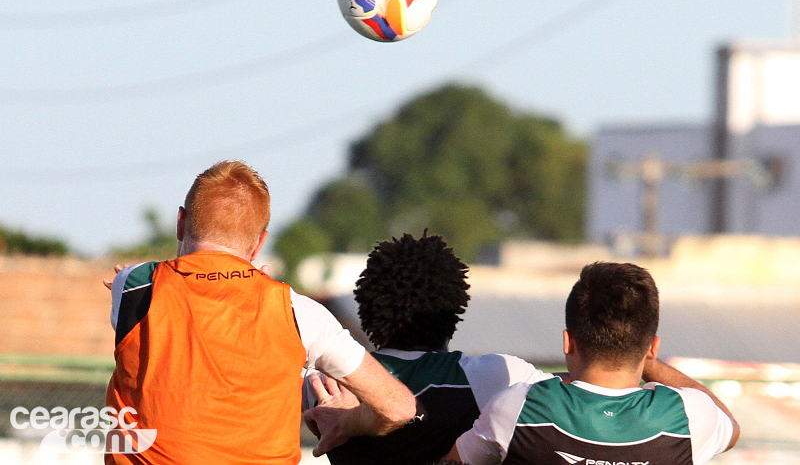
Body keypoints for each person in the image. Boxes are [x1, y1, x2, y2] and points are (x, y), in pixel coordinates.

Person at [104, 160, 415, 465]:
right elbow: (399, 408)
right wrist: (347, 422)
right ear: (260, 242)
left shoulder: (133, 286)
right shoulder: (301, 314)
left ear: (181, 223)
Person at [445, 261, 740, 465]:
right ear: (652, 346)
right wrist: (645, 357)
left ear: (567, 342)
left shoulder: (519, 406)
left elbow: (452, 461)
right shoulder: (689, 415)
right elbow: (730, 426)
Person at [305, 232, 549, 465]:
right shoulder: (495, 377)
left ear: (367, 306)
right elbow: (580, 391)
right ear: (453, 307)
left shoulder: (322, 384)